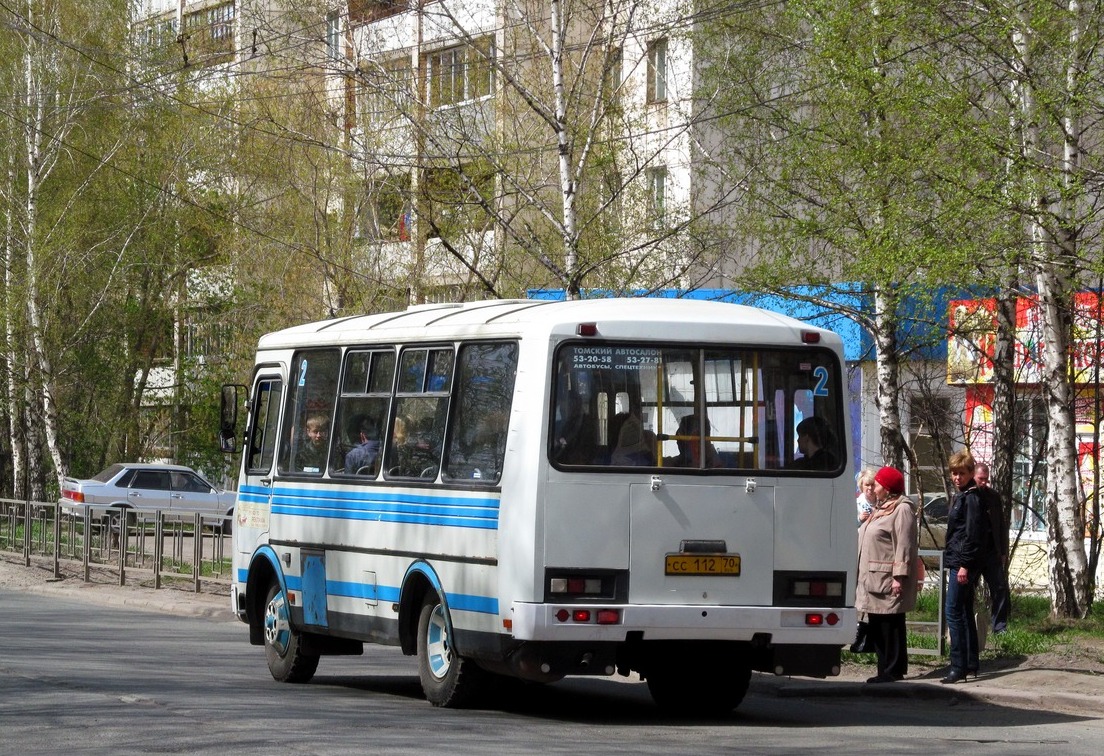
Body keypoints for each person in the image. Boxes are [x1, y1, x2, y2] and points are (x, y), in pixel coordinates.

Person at [855, 465, 918, 684]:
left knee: (890, 626)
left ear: (888, 487)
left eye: (878, 483)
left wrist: (899, 577)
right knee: (879, 625)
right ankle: (887, 669)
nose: (874, 487)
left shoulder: (902, 509)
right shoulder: (883, 508)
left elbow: (904, 545)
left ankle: (891, 670)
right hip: (874, 578)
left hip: (888, 579)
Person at [941, 449, 994, 684]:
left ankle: (958, 666)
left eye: (961, 473)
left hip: (963, 563)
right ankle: (970, 663)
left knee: (953, 611)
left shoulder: (970, 497)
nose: (956, 477)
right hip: (961, 560)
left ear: (971, 472)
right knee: (962, 610)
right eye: (953, 473)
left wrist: (963, 565)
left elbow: (972, 536)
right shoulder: (965, 495)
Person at [974, 462, 1011, 634]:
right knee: (967, 591)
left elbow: (1001, 526)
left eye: (986, 480)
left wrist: (1003, 551)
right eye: (981, 479)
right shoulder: (966, 496)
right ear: (974, 477)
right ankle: (968, 625)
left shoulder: (994, 497)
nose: (984, 483)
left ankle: (999, 626)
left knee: (999, 588)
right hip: (972, 554)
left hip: (991, 552)